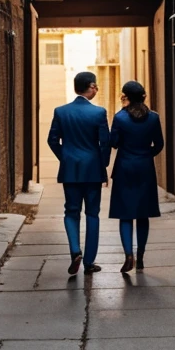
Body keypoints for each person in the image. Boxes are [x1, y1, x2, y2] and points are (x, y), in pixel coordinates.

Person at [47, 71, 110, 276]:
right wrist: (104, 165)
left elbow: (52, 140)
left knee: (71, 212)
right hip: (92, 169)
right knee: (92, 213)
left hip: (71, 169)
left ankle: (75, 250)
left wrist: (65, 157)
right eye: (96, 86)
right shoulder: (99, 113)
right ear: (91, 87)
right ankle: (89, 261)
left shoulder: (61, 111)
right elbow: (105, 144)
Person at [109, 80, 165, 273]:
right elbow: (159, 144)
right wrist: (145, 155)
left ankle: (128, 255)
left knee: (125, 214)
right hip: (145, 168)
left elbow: (114, 143)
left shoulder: (120, 118)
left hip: (124, 168)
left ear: (126, 97)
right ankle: (141, 255)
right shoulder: (154, 118)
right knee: (143, 214)